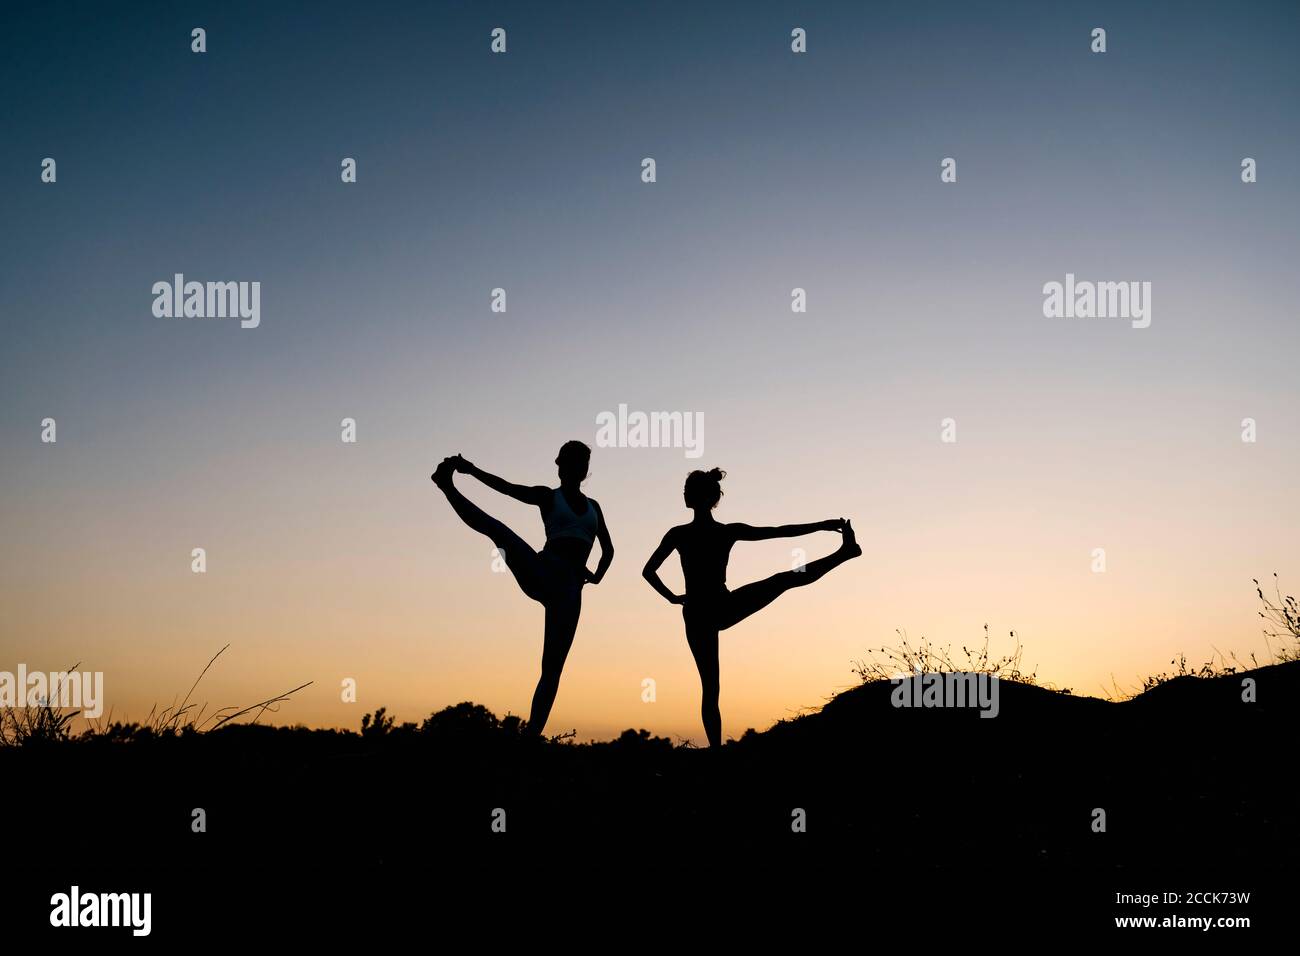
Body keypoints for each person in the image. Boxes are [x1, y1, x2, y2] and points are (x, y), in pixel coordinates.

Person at [642, 467, 859, 747]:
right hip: (721, 606)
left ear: (695, 498)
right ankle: (844, 553)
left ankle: (716, 750)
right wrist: (820, 525)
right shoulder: (723, 532)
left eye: (686, 492)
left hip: (700, 611)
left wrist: (673, 597)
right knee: (783, 580)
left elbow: (649, 571)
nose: (683, 496)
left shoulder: (680, 534)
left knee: (710, 688)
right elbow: (778, 532)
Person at [431, 441, 613, 737]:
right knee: (498, 529)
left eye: (581, 462)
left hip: (569, 593)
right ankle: (446, 486)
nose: (575, 467)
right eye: (569, 462)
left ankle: (532, 736)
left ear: (585, 469)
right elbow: (506, 488)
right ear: (559, 465)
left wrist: (596, 576)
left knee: (552, 669)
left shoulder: (595, 508)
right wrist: (471, 470)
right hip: (541, 571)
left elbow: (609, 549)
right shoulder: (547, 496)